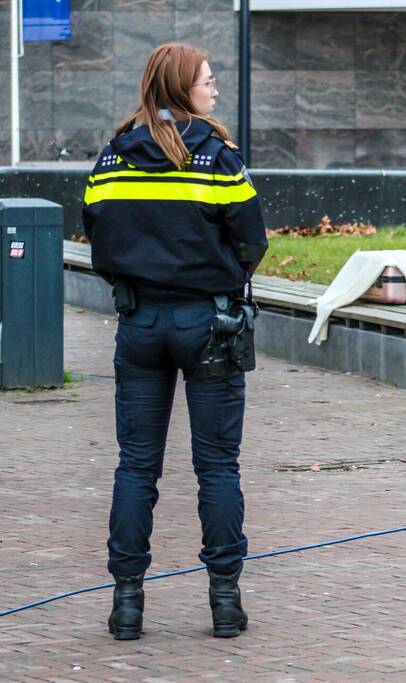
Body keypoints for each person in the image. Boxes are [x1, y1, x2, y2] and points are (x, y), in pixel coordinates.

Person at [82, 43, 268, 640]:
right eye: (208, 82)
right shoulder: (216, 158)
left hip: (139, 326)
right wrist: (219, 274)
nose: (215, 91)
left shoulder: (112, 158)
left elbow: (97, 237)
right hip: (209, 325)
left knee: (136, 467)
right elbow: (252, 240)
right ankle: (225, 603)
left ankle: (127, 604)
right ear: (183, 88)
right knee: (217, 467)